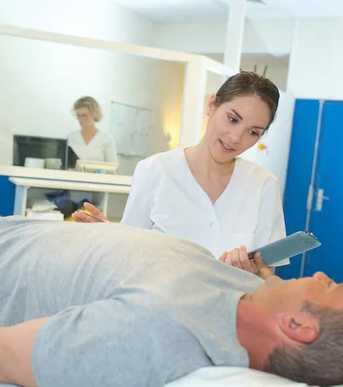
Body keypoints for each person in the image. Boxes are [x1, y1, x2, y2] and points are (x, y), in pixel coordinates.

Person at [0, 214, 343, 387]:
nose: (323, 272)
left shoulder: (161, 337)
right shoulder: (242, 292)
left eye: (332, 287)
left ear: (299, 326)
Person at [73, 72, 286, 276]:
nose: (236, 137)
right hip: (161, 308)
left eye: (253, 132)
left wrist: (252, 272)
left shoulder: (264, 185)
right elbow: (131, 252)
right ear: (212, 104)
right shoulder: (154, 170)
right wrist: (111, 237)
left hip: (230, 310)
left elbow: (268, 274)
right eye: (232, 119)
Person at [67, 96, 118, 163]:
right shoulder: (71, 137)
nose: (80, 119)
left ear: (94, 114)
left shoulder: (106, 139)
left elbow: (113, 167)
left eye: (84, 116)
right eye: (78, 116)